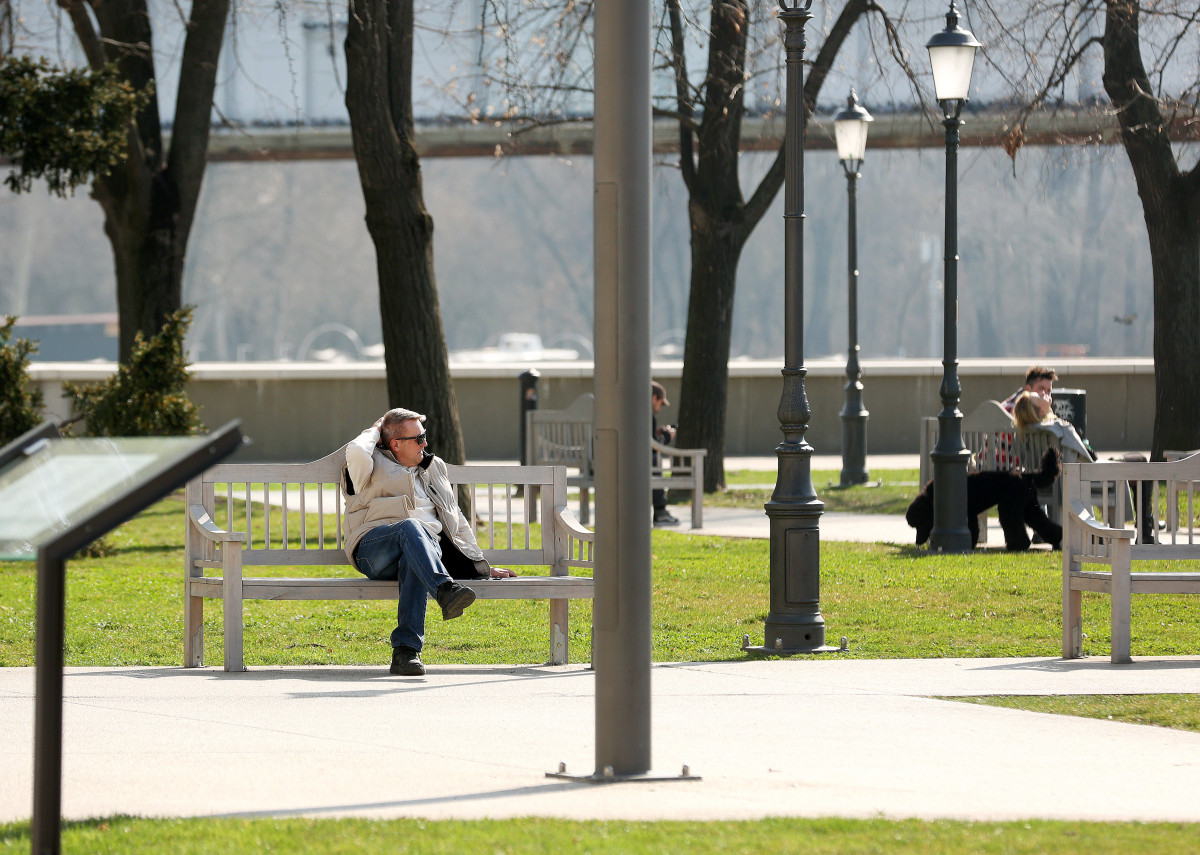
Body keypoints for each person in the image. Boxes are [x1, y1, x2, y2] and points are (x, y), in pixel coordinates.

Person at [342, 408, 515, 676]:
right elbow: (355, 450)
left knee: (415, 551)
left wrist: (478, 565)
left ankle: (406, 653)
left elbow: (455, 517)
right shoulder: (367, 465)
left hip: (421, 553)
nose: (425, 443)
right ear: (395, 444)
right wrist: (377, 429)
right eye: (418, 439)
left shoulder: (434, 467)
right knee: (411, 527)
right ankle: (444, 589)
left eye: (425, 436)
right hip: (374, 549)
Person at [1012, 390, 1094, 462]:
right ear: (1042, 412)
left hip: (1038, 478)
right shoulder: (1061, 429)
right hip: (1069, 477)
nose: (1043, 392)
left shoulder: (1022, 434)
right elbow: (1086, 461)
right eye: (1039, 397)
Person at [651, 381, 679, 526]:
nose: (659, 408)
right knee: (654, 459)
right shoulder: (647, 415)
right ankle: (660, 511)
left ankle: (661, 512)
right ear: (654, 398)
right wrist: (668, 436)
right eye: (660, 403)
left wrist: (656, 434)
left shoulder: (633, 412)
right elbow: (654, 447)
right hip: (640, 465)